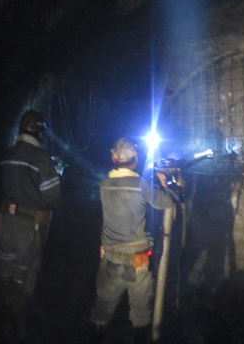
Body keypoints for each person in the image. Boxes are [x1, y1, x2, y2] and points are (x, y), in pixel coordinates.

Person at [89, 138, 174, 344]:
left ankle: (96, 337)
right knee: (141, 311)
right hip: (139, 259)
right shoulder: (142, 185)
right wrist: (166, 182)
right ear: (135, 160)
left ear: (114, 159)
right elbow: (167, 201)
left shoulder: (104, 184)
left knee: (103, 307)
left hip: (111, 255)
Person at [0, 109, 61, 338]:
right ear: (39, 132)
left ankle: (0, 312)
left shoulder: (8, 153)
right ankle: (18, 320)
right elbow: (53, 195)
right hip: (29, 223)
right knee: (26, 269)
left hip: (6, 220)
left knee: (5, 263)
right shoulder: (39, 158)